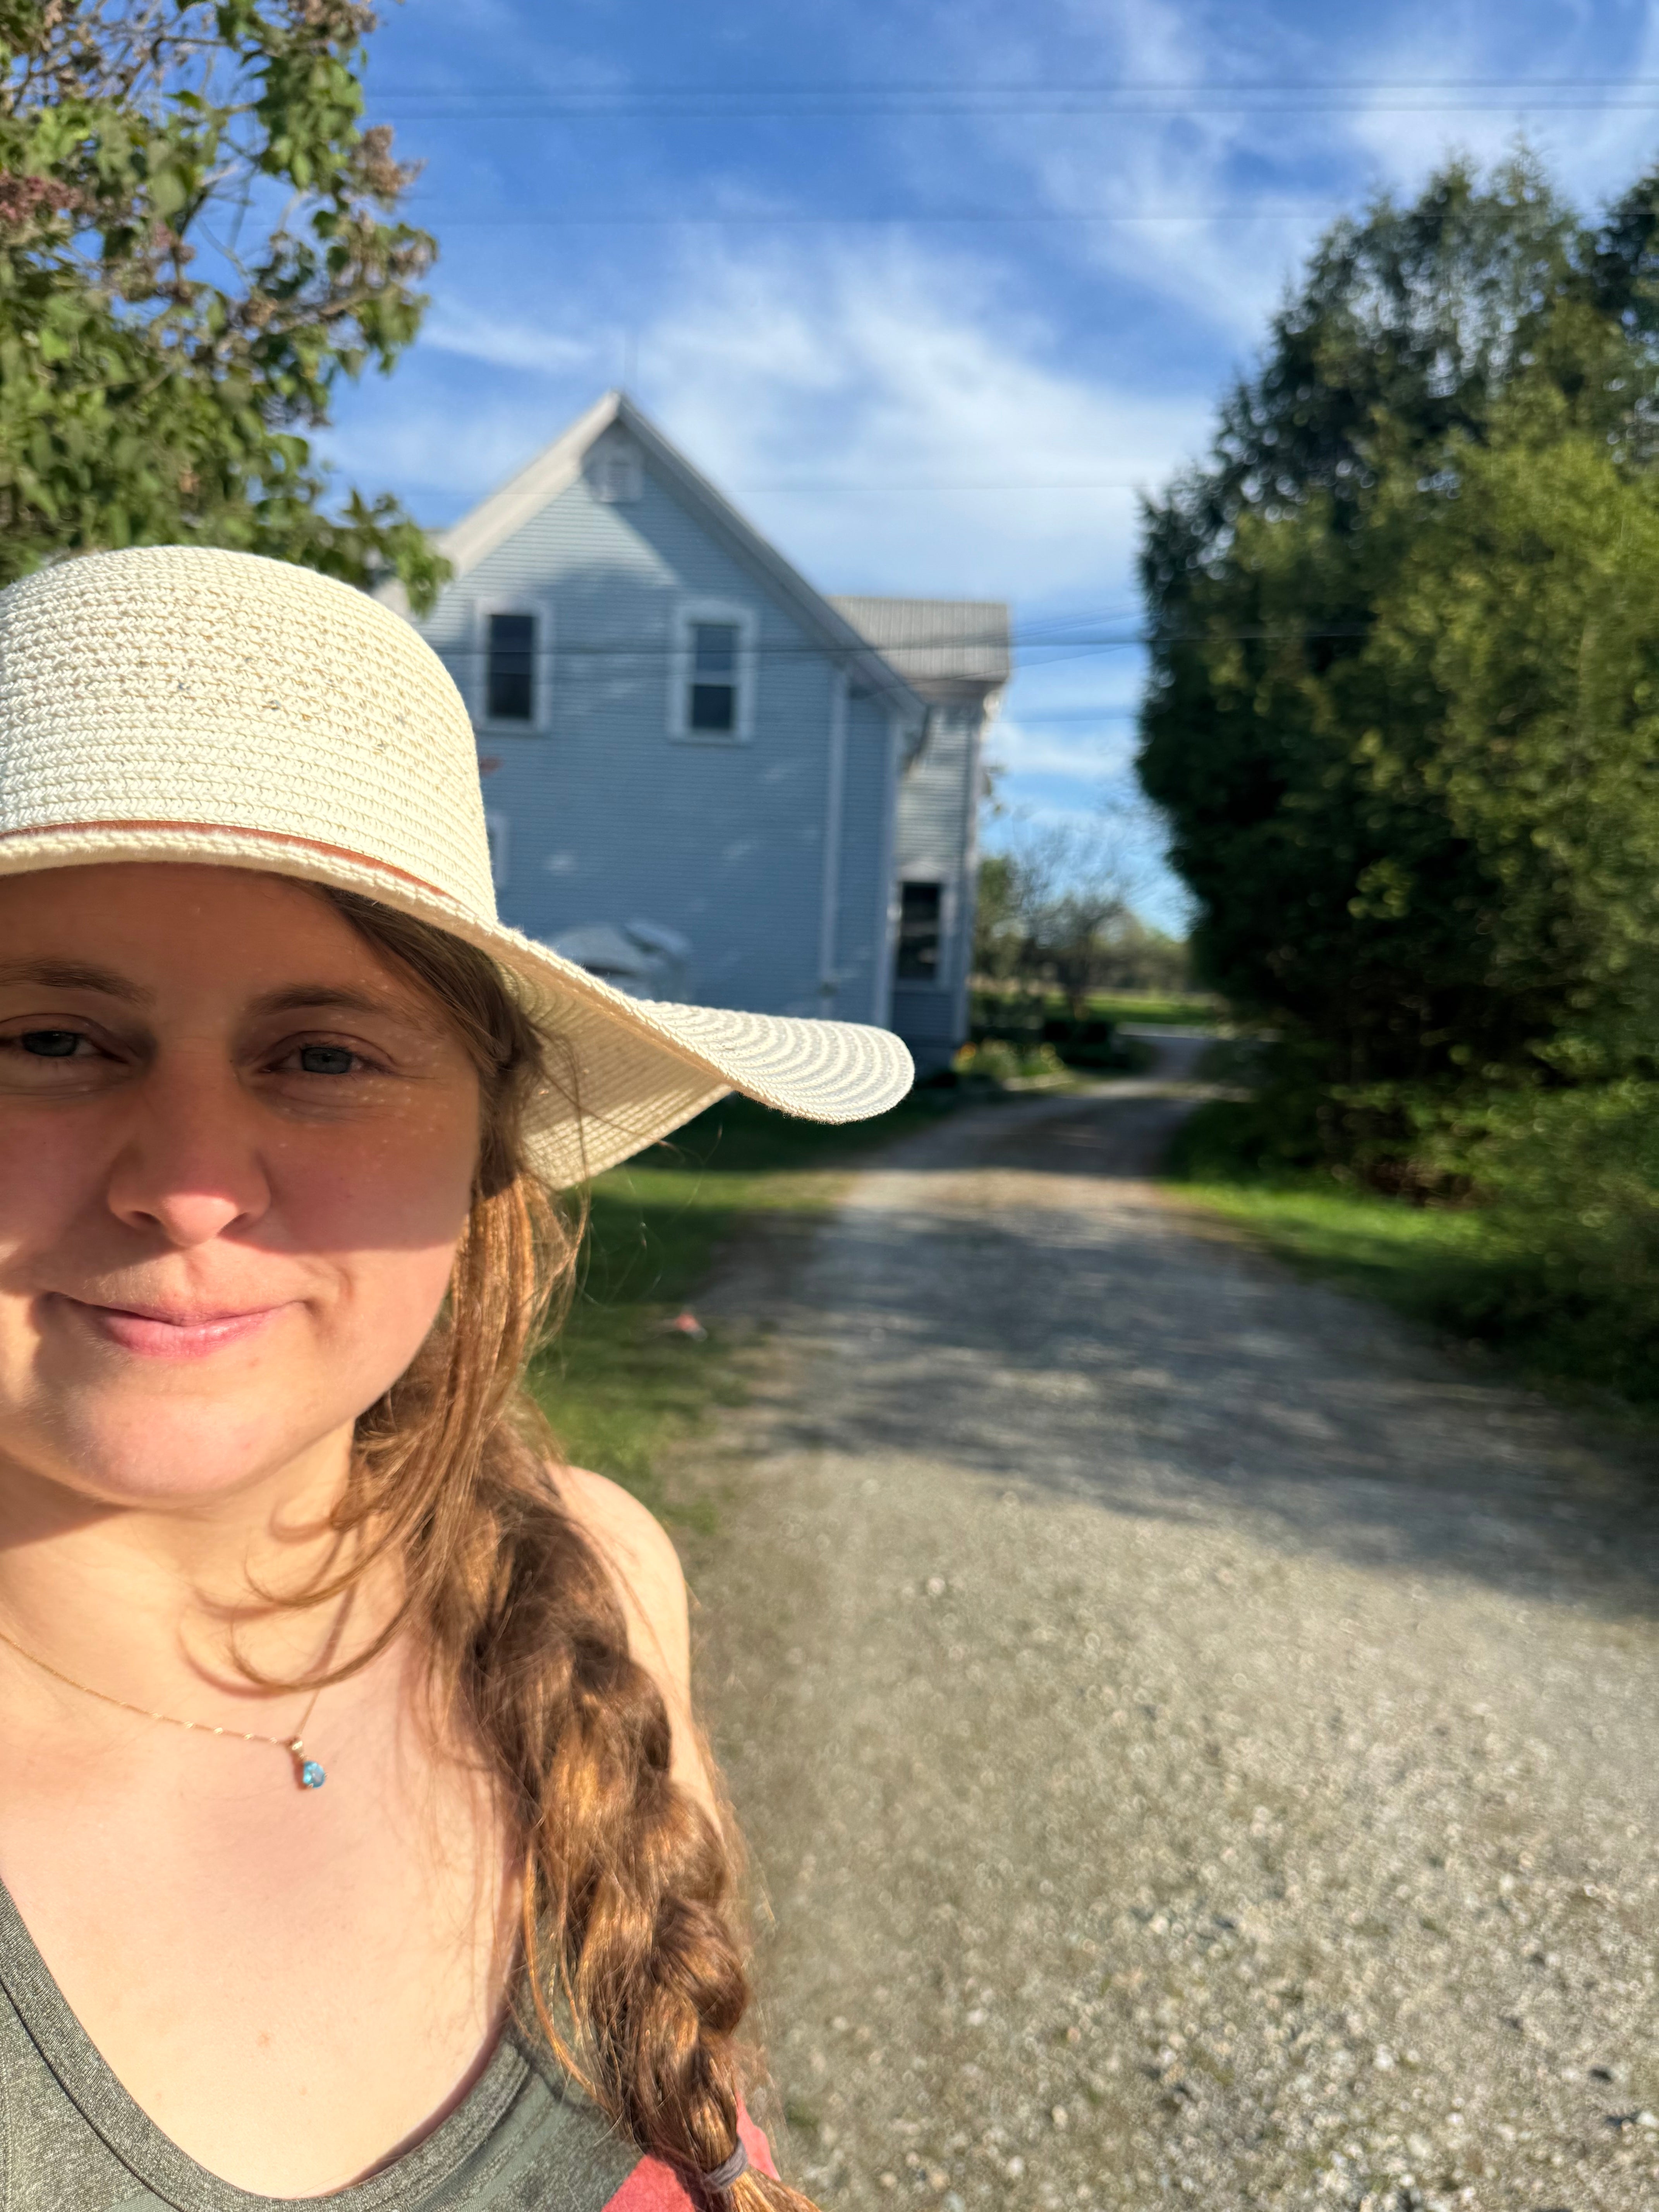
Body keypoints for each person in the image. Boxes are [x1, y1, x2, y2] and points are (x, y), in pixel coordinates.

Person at [0, 547, 912, 2210]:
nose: (189, 1185)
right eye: (52, 1039)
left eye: (326, 1057)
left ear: (480, 1149)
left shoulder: (598, 1580)